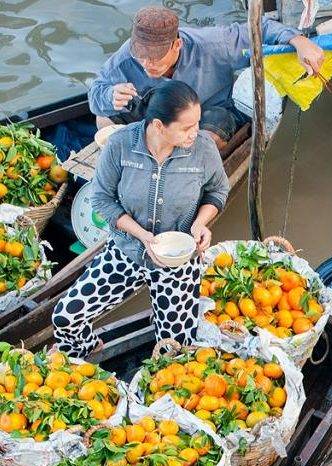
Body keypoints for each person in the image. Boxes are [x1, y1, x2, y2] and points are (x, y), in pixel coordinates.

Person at [52, 81, 228, 358]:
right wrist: (142, 236)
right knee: (66, 317)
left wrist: (200, 223)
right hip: (127, 252)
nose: (195, 133)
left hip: (178, 260)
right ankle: (87, 352)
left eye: (197, 123)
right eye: (186, 128)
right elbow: (102, 198)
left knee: (174, 348)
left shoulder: (204, 149)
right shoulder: (121, 145)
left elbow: (218, 190)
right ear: (159, 126)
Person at [88, 6, 324, 150]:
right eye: (141, 56)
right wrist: (110, 95)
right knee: (104, 115)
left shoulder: (213, 44)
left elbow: (261, 27)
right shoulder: (126, 55)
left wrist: (299, 41)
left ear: (177, 45)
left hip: (206, 113)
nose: (147, 64)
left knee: (209, 137)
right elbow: (96, 93)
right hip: (156, 114)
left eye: (156, 56)